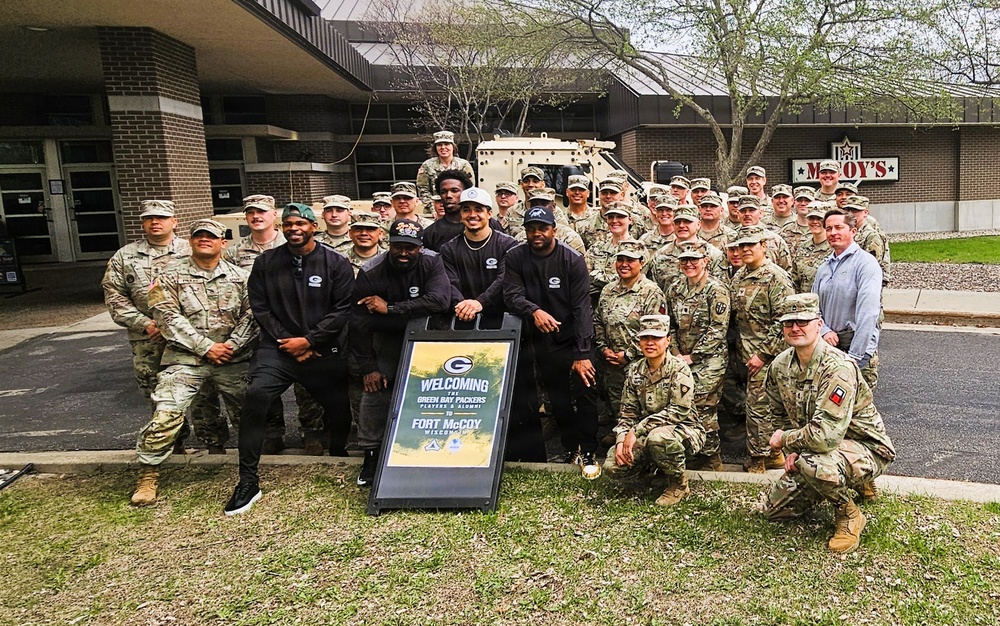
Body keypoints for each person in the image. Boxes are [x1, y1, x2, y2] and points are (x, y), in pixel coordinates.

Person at [225, 204, 355, 515]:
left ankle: (337, 455)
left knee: (338, 407)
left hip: (321, 349)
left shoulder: (335, 263)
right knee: (256, 396)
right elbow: (260, 306)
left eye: (301, 223)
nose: (294, 228)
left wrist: (310, 341)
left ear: (314, 227)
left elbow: (342, 309)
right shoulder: (267, 263)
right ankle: (247, 480)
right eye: (288, 224)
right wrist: (289, 342)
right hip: (278, 349)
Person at [130, 219, 257, 506]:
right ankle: (148, 476)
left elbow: (253, 316)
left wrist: (232, 345)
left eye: (211, 236)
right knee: (166, 415)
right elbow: (166, 317)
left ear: (223, 242)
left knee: (253, 414)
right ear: (190, 240)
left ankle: (258, 467)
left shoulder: (242, 277)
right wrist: (206, 347)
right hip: (185, 360)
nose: (204, 240)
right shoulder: (167, 277)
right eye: (198, 236)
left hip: (233, 359)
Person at [762, 293, 896, 554]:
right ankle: (851, 480)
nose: (795, 328)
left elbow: (825, 437)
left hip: (866, 447)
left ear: (819, 324)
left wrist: (787, 443)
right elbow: (778, 416)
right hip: (816, 446)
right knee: (775, 511)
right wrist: (792, 452)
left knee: (813, 464)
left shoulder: (838, 368)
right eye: (788, 323)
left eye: (803, 321)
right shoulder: (779, 366)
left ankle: (849, 513)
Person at [102, 199, 222, 453]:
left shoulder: (193, 249)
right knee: (157, 392)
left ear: (174, 222)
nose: (155, 222)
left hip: (191, 336)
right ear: (143, 223)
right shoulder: (125, 256)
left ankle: (213, 442)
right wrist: (146, 324)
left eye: (161, 218)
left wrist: (183, 329)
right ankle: (172, 444)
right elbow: (114, 297)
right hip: (149, 339)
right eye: (149, 218)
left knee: (203, 391)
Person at [440, 187, 545, 461]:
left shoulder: (508, 245)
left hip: (507, 327)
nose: (472, 215)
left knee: (519, 393)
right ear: (460, 214)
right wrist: (464, 304)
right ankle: (473, 452)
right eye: (466, 210)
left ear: (489, 213)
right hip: (465, 325)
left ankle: (525, 456)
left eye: (478, 210)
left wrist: (479, 303)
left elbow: (505, 281)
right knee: (475, 392)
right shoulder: (449, 249)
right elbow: (448, 283)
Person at [351, 219, 453, 486]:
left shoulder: (432, 262)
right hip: (386, 338)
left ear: (420, 247)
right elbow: (359, 323)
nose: (404, 253)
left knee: (433, 393)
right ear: (389, 244)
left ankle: (428, 450)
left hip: (427, 336)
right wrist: (368, 367)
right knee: (376, 391)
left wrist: (392, 308)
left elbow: (441, 300)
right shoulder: (371, 271)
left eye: (411, 247)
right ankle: (372, 455)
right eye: (399, 247)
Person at [503, 205, 601, 478]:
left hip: (575, 337)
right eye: (531, 229)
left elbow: (583, 307)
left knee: (585, 393)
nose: (537, 234)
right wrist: (533, 310)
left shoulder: (571, 259)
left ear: (554, 231)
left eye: (542, 228)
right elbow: (511, 295)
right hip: (544, 341)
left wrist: (582, 353)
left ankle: (590, 451)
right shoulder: (515, 257)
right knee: (559, 398)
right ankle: (572, 449)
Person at [603, 315, 703, 506]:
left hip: (684, 430)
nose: (650, 343)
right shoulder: (635, 371)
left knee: (658, 438)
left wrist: (638, 430)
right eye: (644, 338)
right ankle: (654, 471)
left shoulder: (679, 369)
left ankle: (678, 484)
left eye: (656, 338)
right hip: (645, 432)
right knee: (612, 466)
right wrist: (621, 439)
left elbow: (679, 411)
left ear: (668, 340)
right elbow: (627, 413)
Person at [730, 225, 794, 473]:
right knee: (757, 406)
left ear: (763, 246)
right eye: (741, 246)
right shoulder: (740, 276)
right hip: (745, 355)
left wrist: (764, 354)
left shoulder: (776, 278)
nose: (745, 249)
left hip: (768, 356)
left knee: (759, 408)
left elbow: (785, 321)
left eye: (751, 245)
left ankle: (758, 459)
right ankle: (773, 454)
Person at [594, 240, 666, 444]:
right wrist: (603, 348)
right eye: (620, 260)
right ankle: (621, 433)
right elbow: (598, 321)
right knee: (618, 401)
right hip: (612, 360)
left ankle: (642, 441)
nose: (624, 264)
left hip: (639, 362)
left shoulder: (651, 292)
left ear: (641, 263)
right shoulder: (608, 290)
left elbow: (655, 330)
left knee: (643, 403)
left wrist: (628, 354)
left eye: (630, 260)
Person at [666, 243, 730, 471]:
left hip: (709, 359)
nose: (689, 264)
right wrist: (675, 353)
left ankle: (712, 457)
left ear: (705, 261)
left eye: (694, 259)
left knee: (703, 405)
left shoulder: (716, 289)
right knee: (682, 404)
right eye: (684, 260)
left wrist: (693, 356)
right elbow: (669, 324)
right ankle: (694, 450)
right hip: (680, 358)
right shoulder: (674, 288)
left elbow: (718, 329)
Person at [812, 208, 883, 391]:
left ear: (853, 231)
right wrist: (824, 331)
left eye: (838, 227)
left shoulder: (866, 264)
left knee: (856, 414)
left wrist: (854, 358)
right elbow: (813, 307)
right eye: (828, 228)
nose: (833, 233)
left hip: (856, 350)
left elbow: (868, 313)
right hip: (828, 349)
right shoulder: (824, 268)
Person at [585, 202, 633, 298]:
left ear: (630, 220)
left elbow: (626, 282)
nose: (614, 221)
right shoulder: (596, 248)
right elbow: (583, 276)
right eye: (611, 217)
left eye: (620, 217)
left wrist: (594, 276)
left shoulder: (637, 250)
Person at [415, 130, 475, 208]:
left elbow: (470, 189)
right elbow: (423, 190)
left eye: (447, 144)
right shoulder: (427, 165)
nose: (443, 147)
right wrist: (432, 207)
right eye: (439, 145)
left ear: (453, 147)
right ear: (435, 148)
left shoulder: (463, 165)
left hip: (459, 208)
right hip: (434, 210)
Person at [735, 195, 792, 271]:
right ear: (738, 214)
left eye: (751, 210)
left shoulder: (774, 240)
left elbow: (787, 270)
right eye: (743, 211)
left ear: (760, 213)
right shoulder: (731, 238)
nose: (747, 214)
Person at [844, 195, 891, 287]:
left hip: (865, 284)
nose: (850, 214)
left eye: (855, 211)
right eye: (847, 210)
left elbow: (871, 267)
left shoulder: (871, 236)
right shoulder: (848, 231)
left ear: (865, 212)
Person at [790, 202, 832, 293]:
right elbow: (794, 280)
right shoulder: (802, 248)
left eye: (819, 218)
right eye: (811, 218)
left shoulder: (834, 248)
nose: (815, 222)